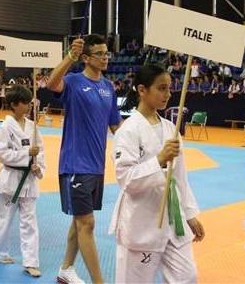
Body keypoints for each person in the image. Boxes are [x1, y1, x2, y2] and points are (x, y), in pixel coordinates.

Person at [109, 64, 204, 283]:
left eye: (170, 88)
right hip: (142, 219)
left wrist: (189, 214)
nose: (168, 94)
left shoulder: (171, 128)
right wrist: (159, 160)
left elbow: (180, 176)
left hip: (173, 219)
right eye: (161, 88)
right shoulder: (127, 131)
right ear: (142, 90)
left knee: (187, 277)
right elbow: (127, 180)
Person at [47, 34, 121, 284]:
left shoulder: (109, 87)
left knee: (79, 221)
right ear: (87, 58)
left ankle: (65, 269)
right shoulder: (74, 81)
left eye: (107, 53)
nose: (105, 58)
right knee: (87, 223)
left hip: (97, 166)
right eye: (100, 54)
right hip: (75, 163)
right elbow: (51, 83)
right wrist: (70, 57)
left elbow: (116, 127)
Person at [0, 85, 45, 277]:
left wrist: (37, 165)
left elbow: (41, 150)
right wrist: (26, 154)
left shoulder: (33, 127)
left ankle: (31, 261)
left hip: (29, 179)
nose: (29, 105)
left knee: (30, 222)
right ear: (15, 105)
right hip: (11, 179)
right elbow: (3, 154)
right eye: (25, 102)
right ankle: (1, 251)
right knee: (4, 219)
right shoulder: (5, 127)